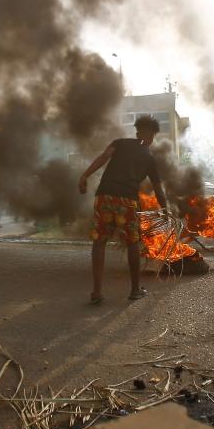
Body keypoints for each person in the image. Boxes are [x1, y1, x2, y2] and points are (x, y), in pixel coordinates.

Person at [79, 115, 168, 304]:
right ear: (152, 135)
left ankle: (97, 292)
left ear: (137, 132)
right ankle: (135, 290)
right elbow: (159, 190)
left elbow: (103, 158)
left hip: (105, 197)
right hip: (127, 201)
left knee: (100, 241)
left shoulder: (119, 143)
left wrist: (85, 176)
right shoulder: (149, 159)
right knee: (132, 242)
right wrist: (165, 210)